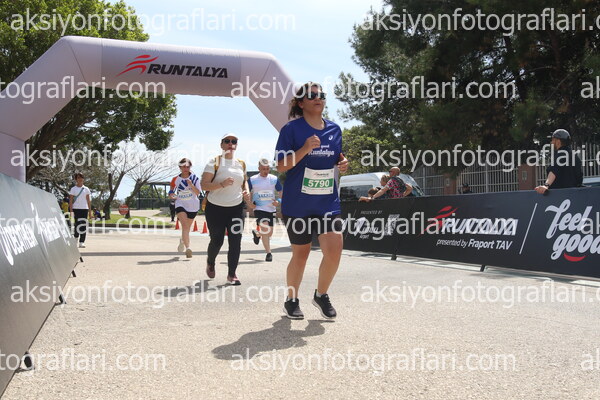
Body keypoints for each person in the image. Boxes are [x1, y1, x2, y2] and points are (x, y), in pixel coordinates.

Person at [275, 82, 348, 320]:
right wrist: (305, 148)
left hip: (327, 202)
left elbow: (337, 157)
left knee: (335, 250)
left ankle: (321, 294)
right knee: (301, 254)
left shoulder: (335, 129)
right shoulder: (291, 130)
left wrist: (342, 164)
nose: (318, 98)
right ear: (300, 103)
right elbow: (281, 165)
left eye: (321, 95)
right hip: (298, 203)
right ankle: (291, 300)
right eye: (312, 95)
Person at [201, 134, 251, 285]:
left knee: (236, 241)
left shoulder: (241, 164)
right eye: (227, 141)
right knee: (217, 241)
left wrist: (246, 191)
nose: (230, 143)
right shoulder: (214, 162)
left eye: (234, 141)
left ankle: (232, 274)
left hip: (236, 208)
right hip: (215, 208)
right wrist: (221, 184)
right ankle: (210, 261)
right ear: (221, 145)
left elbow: (244, 181)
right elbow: (204, 185)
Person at [248, 159, 283, 262]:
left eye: (267, 169)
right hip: (259, 208)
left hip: (271, 208)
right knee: (266, 229)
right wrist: (249, 203)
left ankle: (257, 234)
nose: (266, 171)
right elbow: (246, 191)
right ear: (259, 168)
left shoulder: (274, 179)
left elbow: (281, 191)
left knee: (269, 233)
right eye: (263, 169)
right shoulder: (253, 179)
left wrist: (279, 201)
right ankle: (269, 253)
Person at [169, 158, 201, 258]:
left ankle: (183, 241)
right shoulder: (175, 179)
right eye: (183, 167)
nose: (186, 169)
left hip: (193, 205)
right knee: (185, 226)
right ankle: (188, 248)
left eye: (188, 167)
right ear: (180, 167)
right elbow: (171, 191)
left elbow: (198, 192)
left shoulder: (195, 178)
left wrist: (191, 185)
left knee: (186, 228)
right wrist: (172, 195)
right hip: (180, 203)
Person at [535, 129, 583, 194]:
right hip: (574, 195)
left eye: (552, 140)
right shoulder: (575, 156)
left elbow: (554, 170)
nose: (551, 142)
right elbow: (579, 178)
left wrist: (546, 185)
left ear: (558, 141)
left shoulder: (560, 154)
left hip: (560, 195)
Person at [68, 173, 92, 248]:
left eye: (81, 177)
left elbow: (88, 201)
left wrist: (90, 212)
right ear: (76, 179)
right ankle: (76, 238)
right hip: (76, 209)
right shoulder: (73, 189)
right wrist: (71, 211)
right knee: (77, 224)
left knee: (83, 225)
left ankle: (82, 242)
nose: (80, 179)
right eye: (78, 178)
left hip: (84, 209)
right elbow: (70, 200)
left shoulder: (86, 189)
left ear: (83, 179)